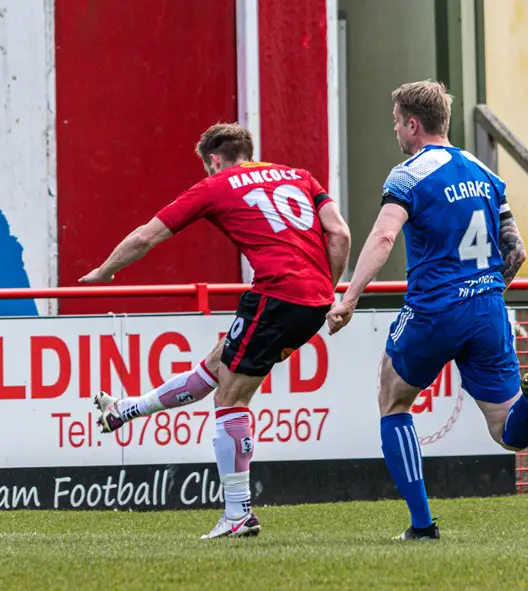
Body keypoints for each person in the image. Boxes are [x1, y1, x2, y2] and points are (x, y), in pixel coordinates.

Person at [325, 80, 528, 540]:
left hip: (435, 309)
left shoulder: (407, 174)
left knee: (393, 398)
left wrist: (349, 297)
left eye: (396, 124)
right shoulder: (485, 172)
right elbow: (516, 251)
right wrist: (484, 291)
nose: (396, 133)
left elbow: (384, 237)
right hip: (488, 307)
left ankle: (422, 525)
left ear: (412, 124)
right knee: (508, 431)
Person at [80, 123, 351, 539]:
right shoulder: (300, 177)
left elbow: (145, 237)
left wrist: (104, 271)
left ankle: (238, 513)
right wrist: (325, 291)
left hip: (276, 294)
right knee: (217, 365)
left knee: (231, 397)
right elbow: (340, 234)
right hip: (311, 299)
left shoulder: (216, 185)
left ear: (213, 160)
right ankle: (125, 410)